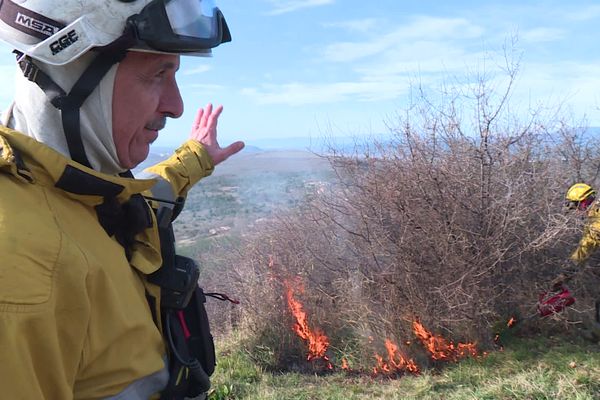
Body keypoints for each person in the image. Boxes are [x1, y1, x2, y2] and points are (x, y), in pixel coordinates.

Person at [0, 0, 244, 398]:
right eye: (157, 74)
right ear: (71, 73)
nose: (176, 105)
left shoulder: (82, 191)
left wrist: (195, 158)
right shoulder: (20, 269)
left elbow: (144, 198)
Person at [557, 182, 600, 341]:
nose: (576, 211)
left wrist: (569, 269)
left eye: (576, 206)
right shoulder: (594, 215)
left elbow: (588, 244)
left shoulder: (597, 217)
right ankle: (597, 334)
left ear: (583, 202)